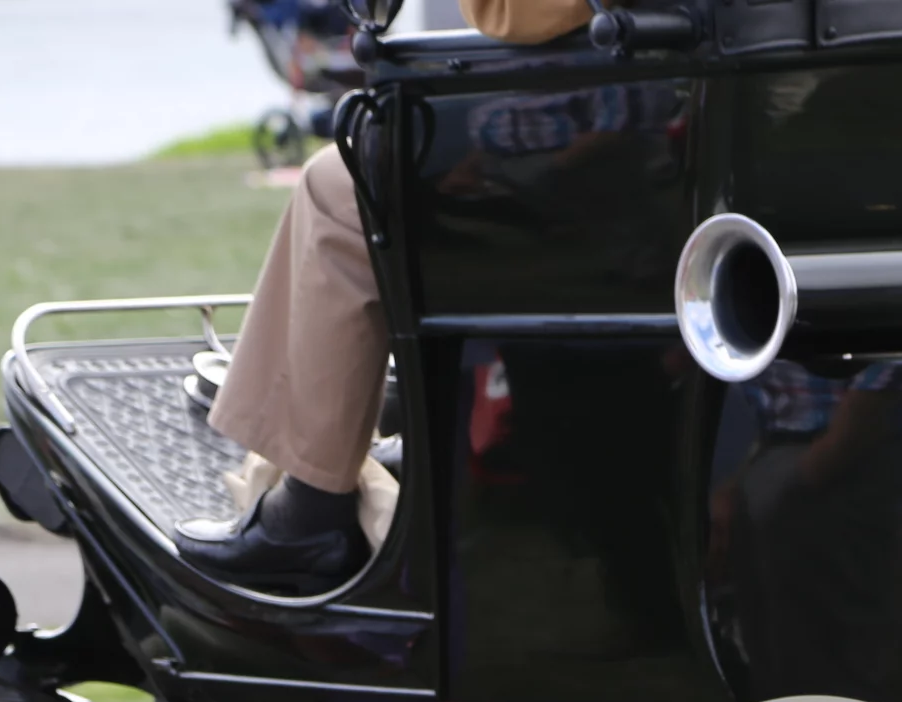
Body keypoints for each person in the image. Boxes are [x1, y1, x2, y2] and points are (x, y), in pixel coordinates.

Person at [176, 0, 596, 591]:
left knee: (338, 183)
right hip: (678, 144)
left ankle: (309, 509)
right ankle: (400, 442)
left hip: (619, 157)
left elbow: (521, 14)